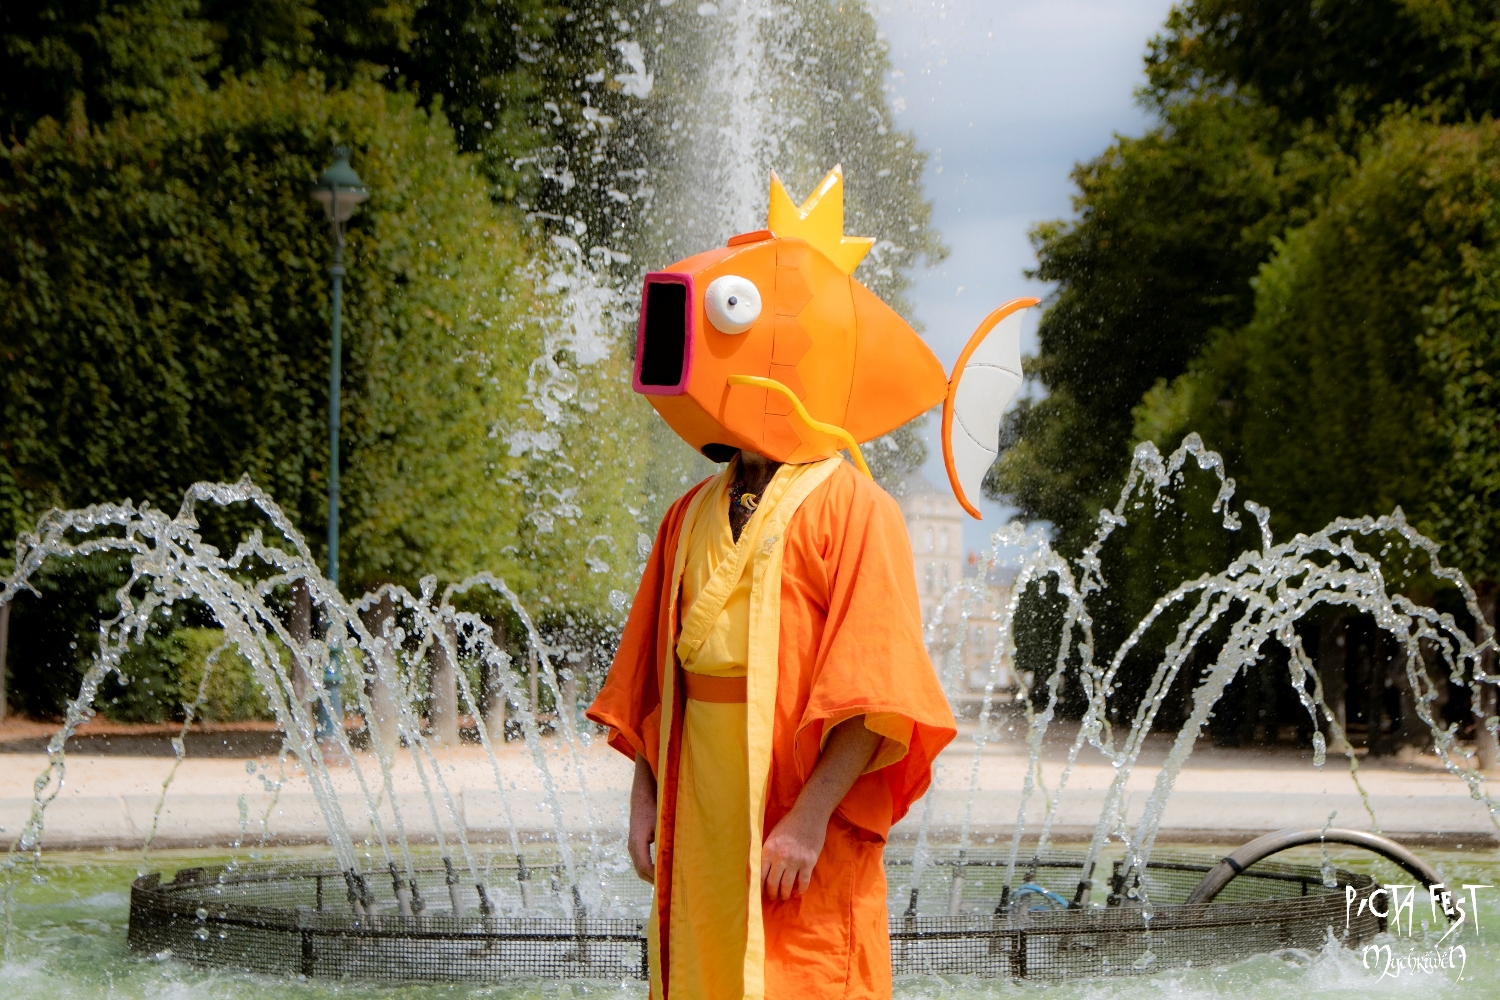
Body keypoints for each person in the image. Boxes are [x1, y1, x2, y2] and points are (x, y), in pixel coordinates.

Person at [588, 166, 958, 1000]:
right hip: (699, 798)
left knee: (804, 971)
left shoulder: (857, 510)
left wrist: (809, 818)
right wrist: (644, 797)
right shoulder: (687, 514)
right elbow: (653, 683)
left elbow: (877, 696)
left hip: (793, 800)